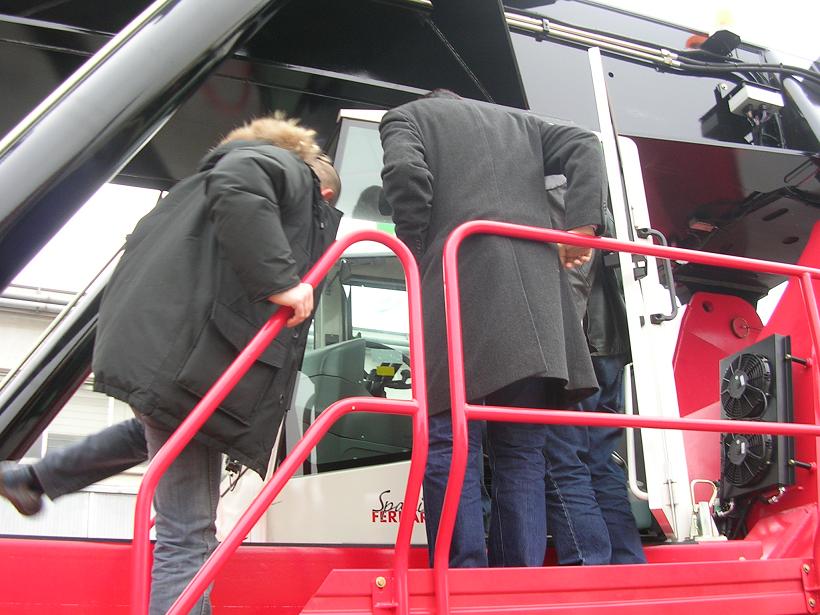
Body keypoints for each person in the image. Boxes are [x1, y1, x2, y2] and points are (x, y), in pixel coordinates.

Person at [0, 112, 342, 614]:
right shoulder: (282, 169)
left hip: (162, 353)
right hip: (182, 363)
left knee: (154, 430)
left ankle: (34, 480)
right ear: (322, 191)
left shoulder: (196, 193)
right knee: (189, 535)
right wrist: (281, 282)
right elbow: (241, 181)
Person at [379, 90, 603, 568]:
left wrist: (418, 247)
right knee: (521, 452)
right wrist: (582, 226)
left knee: (450, 440)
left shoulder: (407, 116)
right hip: (538, 308)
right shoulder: (520, 121)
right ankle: (518, 580)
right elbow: (585, 142)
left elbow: (404, 174)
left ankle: (461, 575)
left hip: (461, 284)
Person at [543, 176, 646, 565]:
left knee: (563, 459)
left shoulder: (557, 194)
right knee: (600, 462)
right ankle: (626, 560)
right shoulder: (602, 205)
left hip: (579, 345)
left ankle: (588, 563)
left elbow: (571, 285)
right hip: (610, 345)